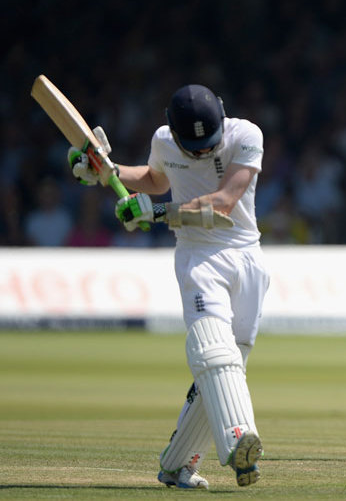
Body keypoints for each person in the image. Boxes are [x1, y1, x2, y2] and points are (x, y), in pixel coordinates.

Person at [68, 84, 268, 488]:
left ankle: (177, 465)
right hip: (198, 257)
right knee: (215, 355)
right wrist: (106, 171)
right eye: (191, 146)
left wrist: (157, 212)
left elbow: (225, 201)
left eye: (206, 145)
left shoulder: (246, 135)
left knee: (230, 364)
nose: (199, 153)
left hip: (247, 255)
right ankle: (239, 439)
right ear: (172, 132)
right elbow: (156, 178)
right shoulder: (163, 140)